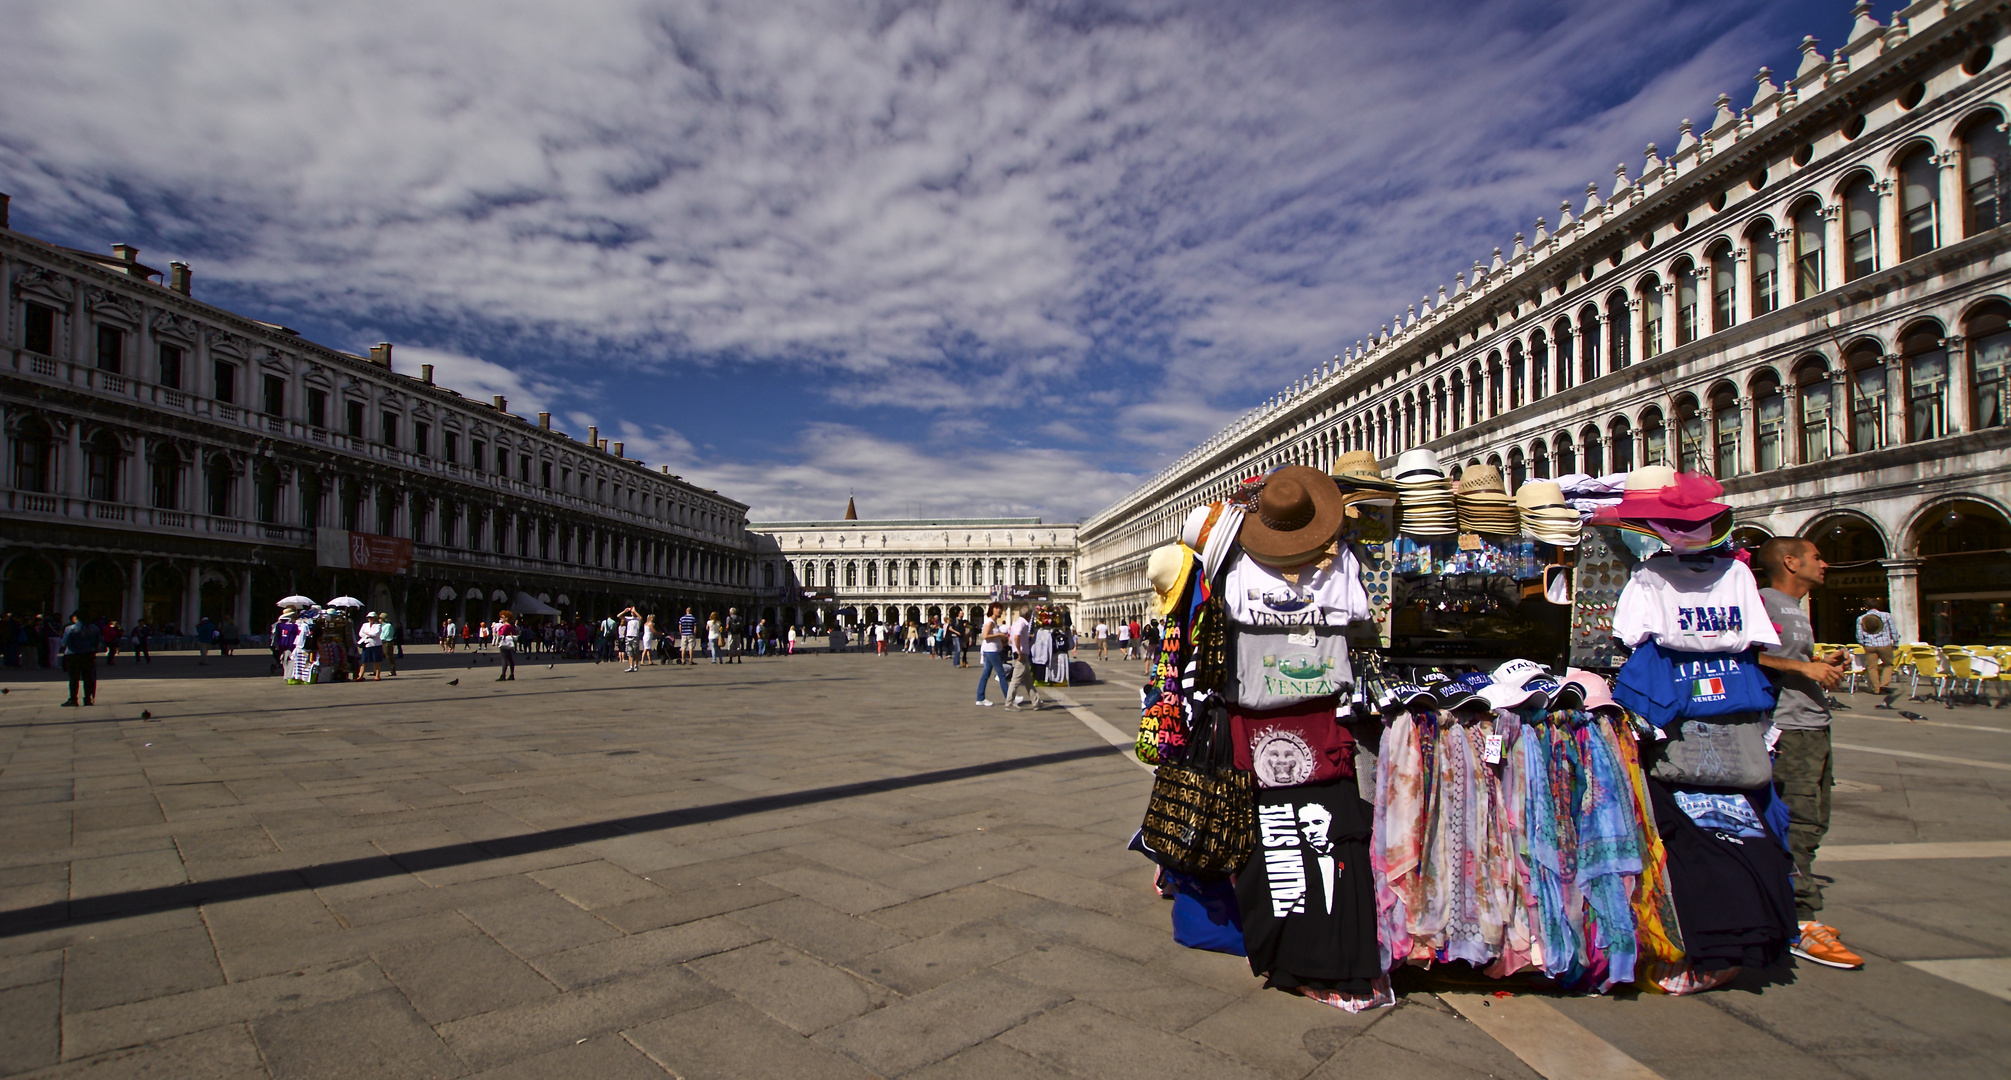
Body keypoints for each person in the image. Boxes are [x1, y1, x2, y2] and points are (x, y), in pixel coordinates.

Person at [1756, 537, 1863, 971]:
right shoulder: (1765, 602)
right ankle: (1801, 919)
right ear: (1790, 561)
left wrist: (1821, 662)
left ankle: (1790, 904)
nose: (1825, 563)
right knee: (1797, 820)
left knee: (1816, 819)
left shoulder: (1795, 608)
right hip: (1789, 728)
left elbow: (1788, 658)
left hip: (1815, 725)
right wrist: (1805, 668)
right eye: (1817, 557)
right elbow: (1748, 655)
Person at [59, 612, 103, 707]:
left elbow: (63, 642)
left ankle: (73, 699)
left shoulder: (70, 628)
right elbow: (98, 642)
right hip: (89, 655)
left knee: (74, 678)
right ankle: (87, 699)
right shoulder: (94, 628)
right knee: (88, 678)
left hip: (73, 655)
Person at [1005, 605, 1044, 711]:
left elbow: (1013, 637)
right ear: (1028, 615)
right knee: (1015, 681)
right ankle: (1009, 703)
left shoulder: (1017, 623)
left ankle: (1036, 702)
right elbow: (1016, 636)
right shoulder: (1021, 624)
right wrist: (1018, 650)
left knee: (1028, 681)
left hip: (1023, 654)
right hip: (1021, 655)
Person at [1854, 605, 1896, 699]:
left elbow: (1859, 634)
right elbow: (1893, 630)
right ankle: (1884, 685)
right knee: (1888, 664)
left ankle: (1875, 689)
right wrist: (1895, 641)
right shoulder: (1886, 615)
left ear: (1866, 606)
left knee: (1871, 667)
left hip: (1869, 645)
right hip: (1884, 644)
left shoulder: (1861, 618)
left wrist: (1863, 643)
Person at [975, 601, 1010, 707]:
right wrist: (999, 634)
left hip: (990, 650)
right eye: (996, 608)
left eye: (1000, 608)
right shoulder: (990, 622)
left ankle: (980, 698)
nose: (999, 610)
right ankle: (1009, 698)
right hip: (991, 651)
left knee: (985, 675)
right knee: (1001, 674)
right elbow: (985, 636)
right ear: (992, 610)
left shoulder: (993, 622)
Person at [360, 613, 387, 681]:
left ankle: (377, 675)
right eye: (369, 617)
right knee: (364, 661)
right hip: (366, 644)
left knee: (376, 661)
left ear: (375, 618)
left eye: (371, 617)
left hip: (375, 645)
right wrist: (368, 635)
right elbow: (360, 633)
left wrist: (367, 634)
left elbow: (376, 634)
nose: (370, 619)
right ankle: (360, 675)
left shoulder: (378, 625)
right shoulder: (364, 625)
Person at [494, 610, 519, 681]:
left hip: (504, 643)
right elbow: (513, 634)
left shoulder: (505, 626)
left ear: (507, 618)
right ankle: (512, 674)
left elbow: (500, 634)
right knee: (510, 659)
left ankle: (503, 675)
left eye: (502, 617)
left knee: (504, 659)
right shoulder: (510, 626)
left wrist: (497, 641)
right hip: (509, 643)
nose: (501, 618)